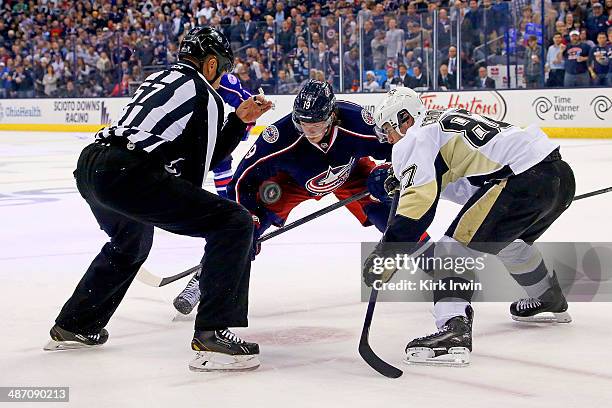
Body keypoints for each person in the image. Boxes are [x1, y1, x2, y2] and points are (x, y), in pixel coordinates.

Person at [44, 27, 272, 373]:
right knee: (234, 222)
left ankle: (75, 324)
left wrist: (238, 121)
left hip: (92, 164)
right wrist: (237, 125)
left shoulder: (160, 78)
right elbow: (197, 171)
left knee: (130, 241)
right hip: (128, 172)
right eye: (222, 68)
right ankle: (212, 337)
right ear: (211, 64)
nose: (221, 75)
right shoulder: (205, 95)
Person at [363, 87, 575, 366]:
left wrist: (389, 252)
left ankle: (454, 330)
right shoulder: (444, 120)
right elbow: (471, 187)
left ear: (405, 118)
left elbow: (419, 203)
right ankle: (547, 297)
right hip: (558, 175)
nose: (388, 138)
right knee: (510, 244)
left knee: (452, 253)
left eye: (388, 129)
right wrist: (403, 180)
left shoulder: (414, 137)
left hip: (520, 180)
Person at [172, 80, 411, 315]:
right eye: (304, 125)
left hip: (352, 173)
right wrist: (249, 218)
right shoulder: (279, 137)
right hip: (291, 184)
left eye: (316, 125)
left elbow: (400, 149)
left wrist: (389, 173)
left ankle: (439, 271)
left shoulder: (358, 122)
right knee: (243, 230)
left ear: (332, 116)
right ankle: (203, 278)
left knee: (391, 209)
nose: (310, 132)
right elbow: (242, 181)